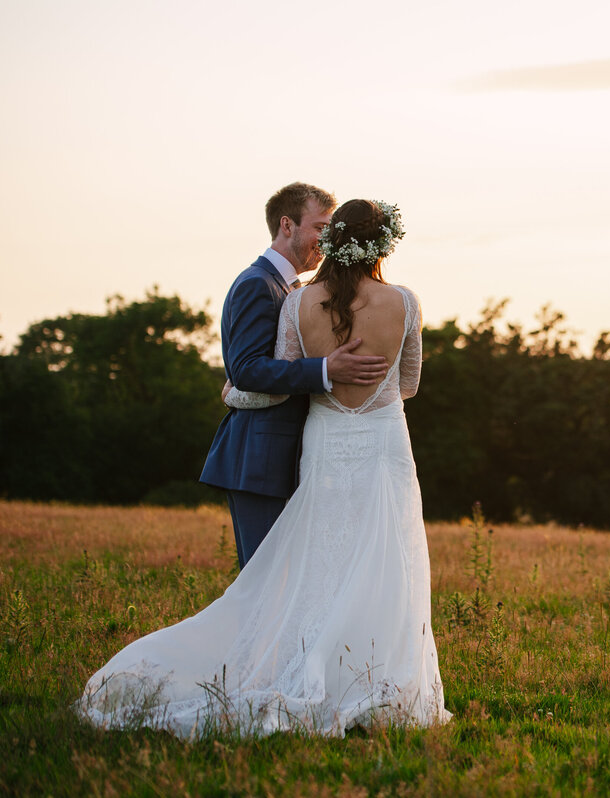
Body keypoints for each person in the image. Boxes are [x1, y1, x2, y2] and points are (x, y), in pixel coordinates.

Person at [77, 199, 450, 736]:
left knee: (320, 562)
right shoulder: (406, 302)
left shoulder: (298, 306)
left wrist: (241, 393)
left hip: (324, 442)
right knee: (387, 559)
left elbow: (277, 374)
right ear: (385, 244)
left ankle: (309, 668)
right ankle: (375, 683)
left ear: (333, 240)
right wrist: (374, 390)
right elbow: (409, 384)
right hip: (383, 444)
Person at [200, 182, 391, 568]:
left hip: (282, 456)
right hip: (259, 458)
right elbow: (247, 369)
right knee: (262, 581)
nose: (329, 238)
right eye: (321, 228)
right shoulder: (257, 284)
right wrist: (325, 369)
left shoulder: (289, 288)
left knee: (282, 585)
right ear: (287, 225)